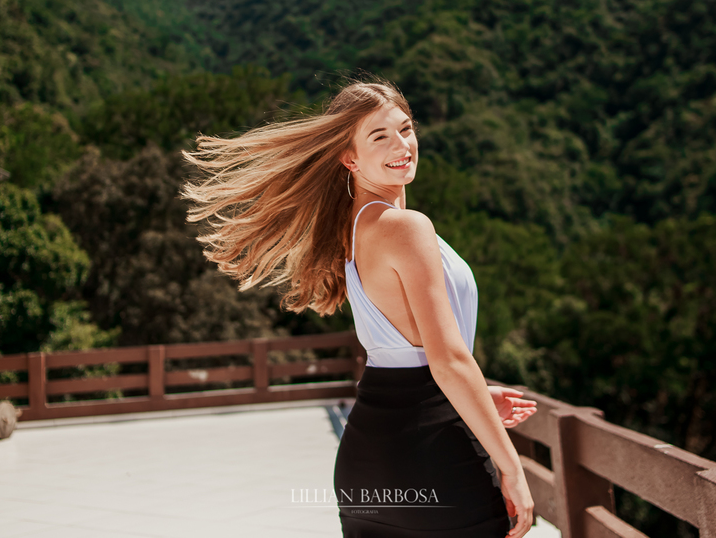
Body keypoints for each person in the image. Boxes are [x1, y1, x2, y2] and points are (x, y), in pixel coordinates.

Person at [182, 78, 537, 537]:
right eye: (379, 136)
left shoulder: (357, 228)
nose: (401, 145)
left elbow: (405, 355)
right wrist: (512, 468)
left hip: (366, 460)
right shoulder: (406, 227)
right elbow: (448, 360)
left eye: (406, 129)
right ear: (349, 158)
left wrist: (474, 400)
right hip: (431, 461)